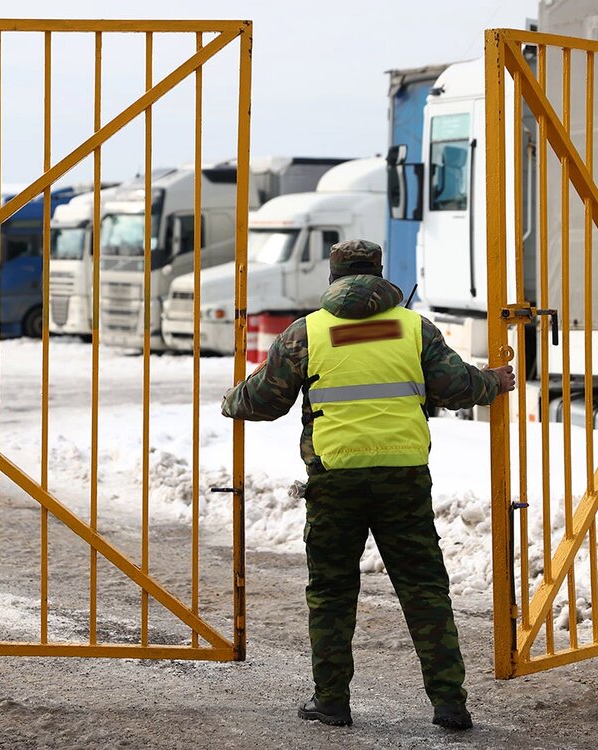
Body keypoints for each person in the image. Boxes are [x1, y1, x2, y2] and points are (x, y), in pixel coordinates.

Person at [220, 239, 515, 730]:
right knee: (423, 588)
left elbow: (265, 400)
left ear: (333, 278)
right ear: (379, 273)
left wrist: (232, 400)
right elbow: (459, 387)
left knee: (332, 592)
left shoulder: (307, 331)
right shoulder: (412, 328)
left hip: (335, 480)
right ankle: (450, 704)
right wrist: (496, 381)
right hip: (403, 478)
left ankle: (331, 702)